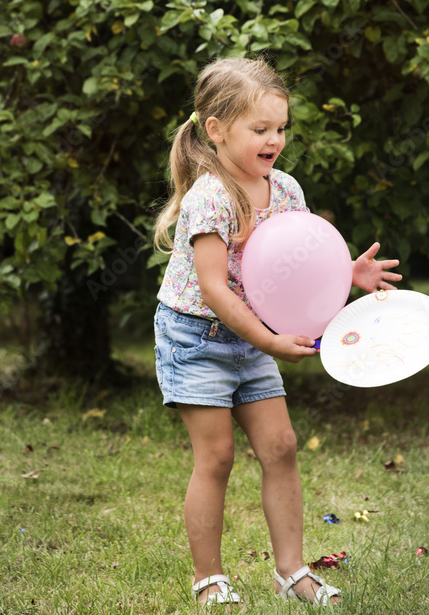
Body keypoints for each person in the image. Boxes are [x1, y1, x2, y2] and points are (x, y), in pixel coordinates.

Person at [153, 57, 402, 607]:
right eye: (260, 129)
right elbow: (216, 289)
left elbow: (303, 259)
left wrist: (348, 274)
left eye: (281, 128)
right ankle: (209, 579)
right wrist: (268, 343)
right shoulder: (209, 196)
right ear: (216, 129)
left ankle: (292, 572)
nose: (275, 140)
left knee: (282, 447)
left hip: (253, 335)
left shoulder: (286, 189)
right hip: (197, 338)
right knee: (216, 457)